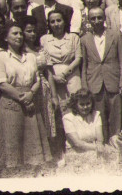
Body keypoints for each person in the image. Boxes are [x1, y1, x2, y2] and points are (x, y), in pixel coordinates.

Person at [0, 21, 52, 174]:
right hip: (11, 103)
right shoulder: (0, 57)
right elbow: (2, 84)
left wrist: (31, 94)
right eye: (14, 33)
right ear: (5, 38)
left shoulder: (30, 57)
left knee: (32, 149)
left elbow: (37, 80)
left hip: (30, 102)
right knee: (12, 145)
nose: (19, 36)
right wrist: (23, 98)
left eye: (20, 33)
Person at [81, 7, 122, 143]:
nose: (96, 21)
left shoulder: (115, 35)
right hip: (94, 84)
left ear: (104, 19)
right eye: (93, 18)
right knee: (99, 120)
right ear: (89, 20)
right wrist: (85, 86)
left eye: (99, 17)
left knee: (115, 118)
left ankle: (116, 147)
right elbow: (84, 65)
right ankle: (104, 147)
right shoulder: (84, 39)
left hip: (113, 82)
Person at [40, 10, 82, 161]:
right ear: (49, 24)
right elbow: (44, 61)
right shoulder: (44, 39)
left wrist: (64, 74)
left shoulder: (73, 37)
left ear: (64, 21)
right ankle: (59, 152)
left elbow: (78, 58)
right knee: (56, 113)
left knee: (75, 110)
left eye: (59, 20)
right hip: (52, 77)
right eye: (52, 21)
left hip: (71, 75)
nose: (56, 24)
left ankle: (76, 148)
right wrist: (54, 77)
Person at [21, 16, 58, 143]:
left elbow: (49, 73)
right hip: (29, 88)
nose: (32, 34)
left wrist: (54, 96)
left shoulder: (41, 50)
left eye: (34, 31)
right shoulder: (20, 51)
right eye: (28, 31)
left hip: (44, 88)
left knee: (47, 118)